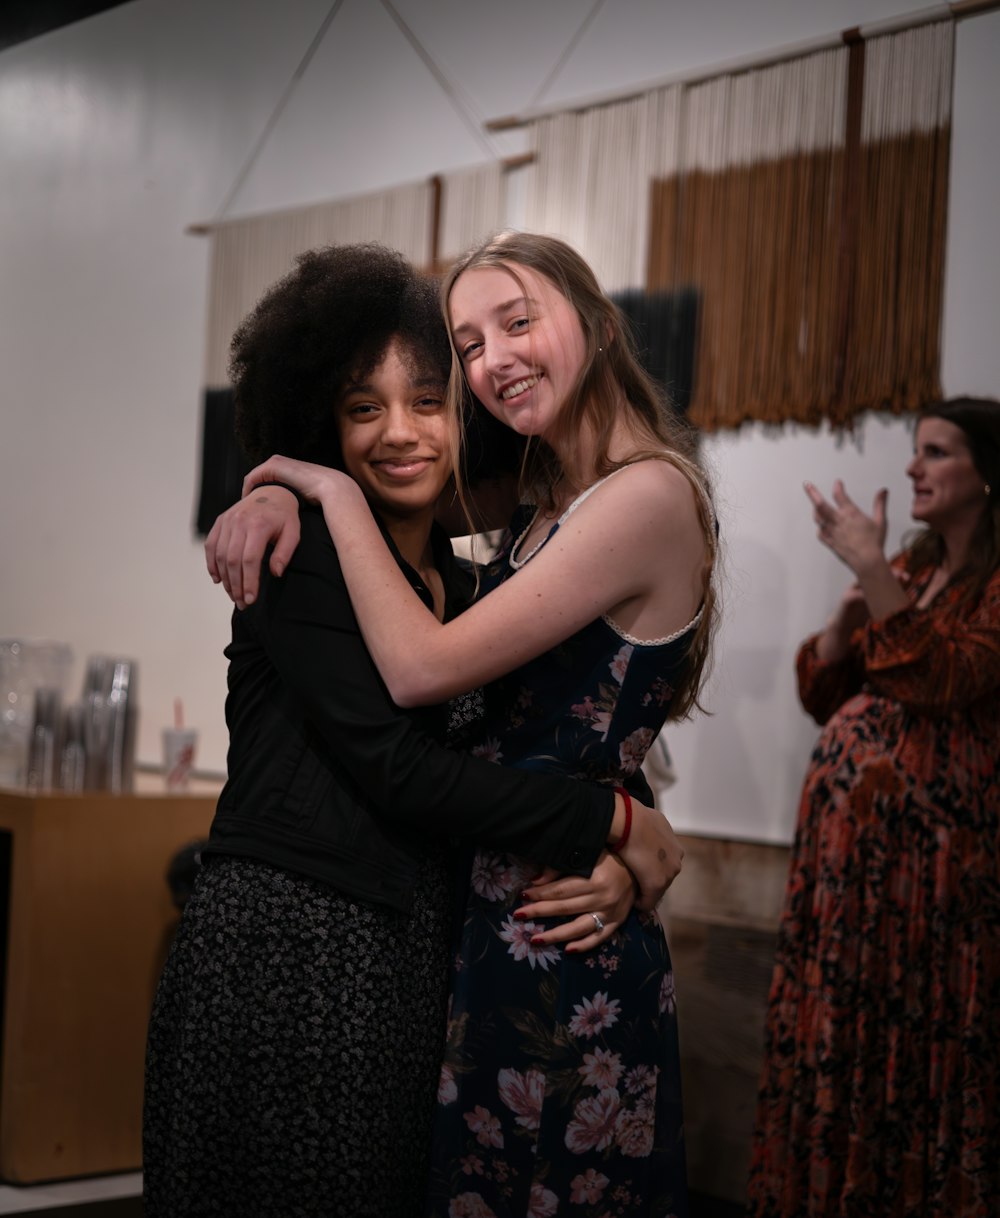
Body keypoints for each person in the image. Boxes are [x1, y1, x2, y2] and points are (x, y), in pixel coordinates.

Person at [145, 242, 682, 1218]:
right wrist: (603, 823)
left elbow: (542, 732)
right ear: (321, 423)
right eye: (361, 407)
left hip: (420, 949)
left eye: (428, 402)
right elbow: (399, 770)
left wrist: (621, 830)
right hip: (291, 936)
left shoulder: (468, 584)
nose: (399, 432)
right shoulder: (300, 554)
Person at [747, 395, 1000, 1217]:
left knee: (917, 1073)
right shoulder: (921, 575)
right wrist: (843, 620)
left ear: (989, 475)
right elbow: (829, 694)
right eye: (916, 449)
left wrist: (873, 571)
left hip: (939, 896)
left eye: (937, 452)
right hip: (859, 899)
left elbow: (942, 681)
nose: (912, 467)